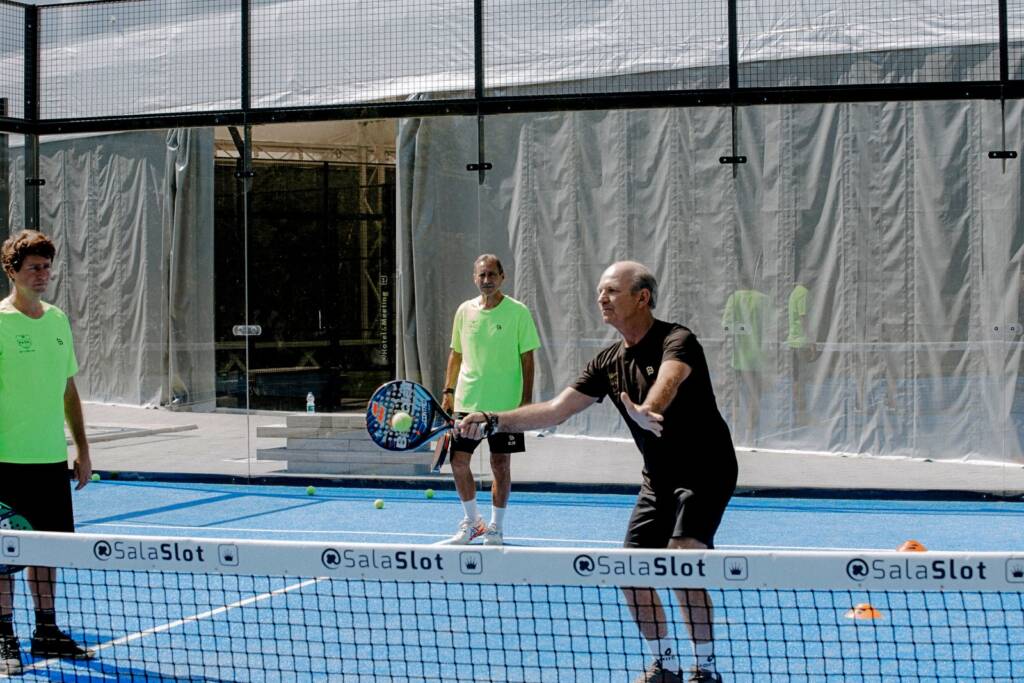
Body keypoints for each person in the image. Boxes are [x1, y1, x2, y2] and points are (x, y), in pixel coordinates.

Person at [457, 261, 737, 683]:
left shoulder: (678, 340)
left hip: (705, 471)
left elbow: (670, 379)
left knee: (683, 561)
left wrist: (649, 410)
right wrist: (493, 418)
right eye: (599, 292)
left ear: (641, 297)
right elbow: (555, 410)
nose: (600, 298)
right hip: (658, 478)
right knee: (629, 570)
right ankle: (666, 664)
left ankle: (706, 669)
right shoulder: (607, 362)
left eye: (611, 291)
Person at [0, 230, 95, 676]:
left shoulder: (57, 320)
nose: (43, 274)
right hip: (4, 462)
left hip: (49, 460)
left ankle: (46, 629)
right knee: (4, 555)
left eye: (46, 266)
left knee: (48, 550)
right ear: (12, 272)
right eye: (34, 267)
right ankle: (3, 635)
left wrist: (82, 448)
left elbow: (68, 388)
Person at [437, 254, 540, 546]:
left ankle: (496, 527)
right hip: (466, 403)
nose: (486, 280)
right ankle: (472, 523)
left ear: (502, 277)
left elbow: (527, 358)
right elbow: (455, 354)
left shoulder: (518, 312)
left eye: (492, 275)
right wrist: (448, 392)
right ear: (475, 278)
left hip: (504, 409)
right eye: (481, 275)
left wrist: (526, 402)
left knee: (500, 465)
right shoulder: (464, 311)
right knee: (458, 461)